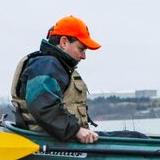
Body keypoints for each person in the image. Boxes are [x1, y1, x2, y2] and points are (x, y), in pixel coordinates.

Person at [10, 15, 101, 143]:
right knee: (134, 138)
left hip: (66, 137)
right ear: (64, 42)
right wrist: (76, 131)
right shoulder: (46, 65)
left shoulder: (56, 66)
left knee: (133, 136)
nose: (84, 56)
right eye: (81, 49)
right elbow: (42, 106)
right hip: (52, 141)